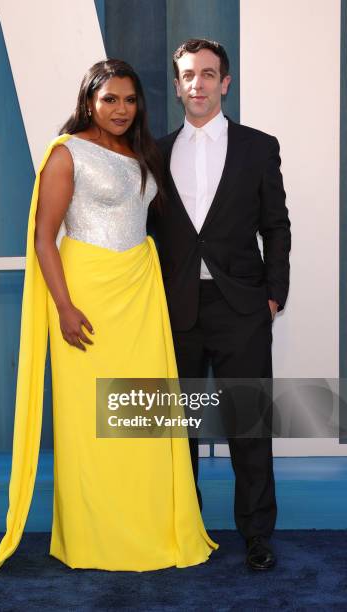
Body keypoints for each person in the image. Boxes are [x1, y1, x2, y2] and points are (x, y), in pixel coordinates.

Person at [0, 59, 217, 580]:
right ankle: (100, 536)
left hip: (140, 294)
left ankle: (154, 527)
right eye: (109, 99)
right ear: (88, 100)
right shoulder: (66, 153)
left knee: (142, 417)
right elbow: (45, 236)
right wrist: (65, 306)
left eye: (130, 100)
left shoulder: (141, 153)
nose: (120, 109)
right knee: (92, 424)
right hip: (88, 297)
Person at [150, 39, 291, 570]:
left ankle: (257, 536)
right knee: (174, 429)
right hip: (175, 308)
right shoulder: (155, 152)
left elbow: (276, 226)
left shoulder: (258, 146)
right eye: (188, 75)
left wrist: (274, 295)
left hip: (243, 308)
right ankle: (183, 529)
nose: (198, 84)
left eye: (208, 74)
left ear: (224, 82)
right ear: (179, 83)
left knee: (249, 426)